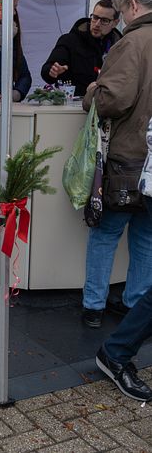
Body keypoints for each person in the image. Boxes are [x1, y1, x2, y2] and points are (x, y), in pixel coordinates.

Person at [81, 0, 152, 328]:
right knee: (146, 235)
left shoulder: (131, 43)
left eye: (122, 10)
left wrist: (93, 91)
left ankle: (93, 306)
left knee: (106, 232)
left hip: (129, 155)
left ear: (134, 5)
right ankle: (135, 306)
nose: (122, 16)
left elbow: (114, 101)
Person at [96, 123, 152, 401]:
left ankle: (116, 349)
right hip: (129, 164)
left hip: (133, 163)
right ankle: (115, 351)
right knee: (109, 234)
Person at [40, 0, 122, 96]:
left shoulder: (120, 46)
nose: (97, 24)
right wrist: (52, 71)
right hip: (73, 106)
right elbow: (46, 71)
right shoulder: (70, 40)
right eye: (95, 17)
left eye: (104, 21)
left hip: (105, 105)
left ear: (115, 23)